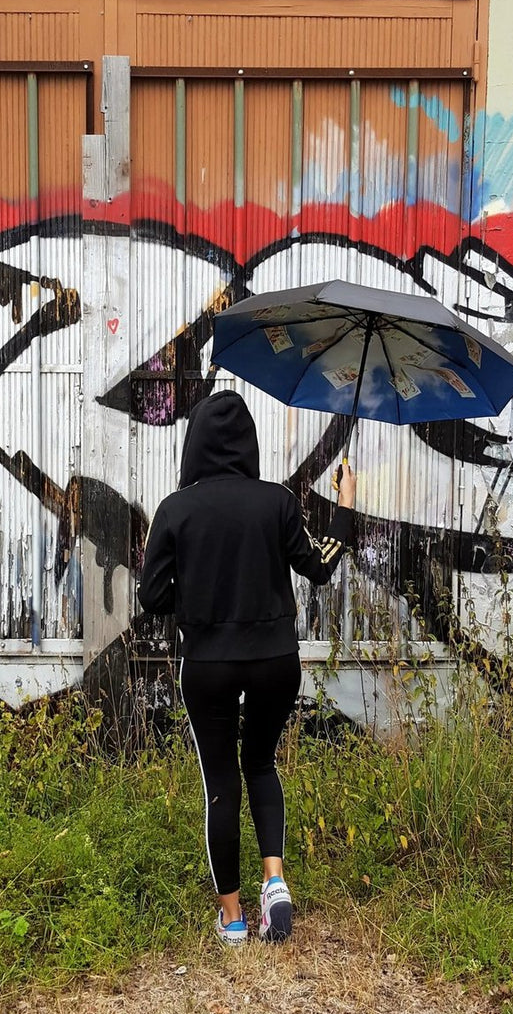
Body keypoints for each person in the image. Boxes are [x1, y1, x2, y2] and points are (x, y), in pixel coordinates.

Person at [138, 390, 357, 946]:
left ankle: (233, 919)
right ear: (249, 443)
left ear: (195, 444)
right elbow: (320, 566)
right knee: (260, 763)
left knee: (220, 782)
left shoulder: (175, 509)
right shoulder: (277, 502)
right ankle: (275, 881)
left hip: (208, 664)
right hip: (274, 662)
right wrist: (346, 506)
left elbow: (152, 597)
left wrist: (195, 597)